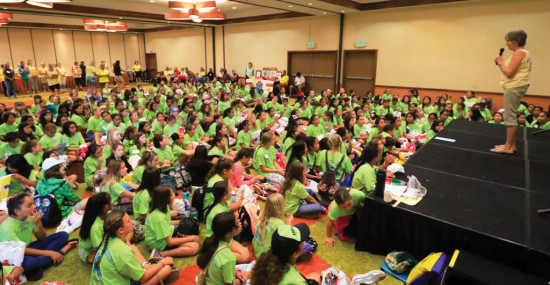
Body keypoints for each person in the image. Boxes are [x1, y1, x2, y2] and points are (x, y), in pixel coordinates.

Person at [0, 193, 76, 281]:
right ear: (17, 211)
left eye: (33, 203)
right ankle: (63, 250)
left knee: (63, 235)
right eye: (29, 205)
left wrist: (38, 223)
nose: (34, 206)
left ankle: (42, 262)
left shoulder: (29, 218)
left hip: (28, 248)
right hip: (15, 257)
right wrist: (49, 253)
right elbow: (20, 251)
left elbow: (41, 239)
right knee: (30, 264)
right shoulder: (7, 228)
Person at [90, 210, 179, 285]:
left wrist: (146, 265)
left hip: (111, 279)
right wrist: (162, 263)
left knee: (134, 250)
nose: (132, 222)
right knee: (166, 269)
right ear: (121, 230)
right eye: (129, 221)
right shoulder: (122, 251)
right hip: (121, 280)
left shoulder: (109, 240)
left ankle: (149, 266)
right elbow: (143, 278)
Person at [492, 30, 531, 154]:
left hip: (514, 87)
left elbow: (509, 73)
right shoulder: (523, 52)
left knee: (510, 116)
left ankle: (508, 146)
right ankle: (511, 145)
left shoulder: (518, 53)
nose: (506, 43)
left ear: (514, 41)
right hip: (517, 86)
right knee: (511, 115)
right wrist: (501, 63)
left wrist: (500, 62)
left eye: (508, 40)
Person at [251, 223, 320, 284]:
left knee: (314, 276)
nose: (304, 242)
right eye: (302, 241)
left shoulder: (263, 261)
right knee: (317, 277)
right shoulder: (297, 281)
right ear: (295, 254)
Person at [145, 184, 200, 257]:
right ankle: (160, 254)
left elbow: (167, 223)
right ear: (166, 199)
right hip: (160, 243)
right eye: (171, 194)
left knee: (195, 226)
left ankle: (181, 238)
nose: (174, 194)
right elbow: (169, 242)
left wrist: (183, 222)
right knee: (195, 247)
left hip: (168, 231)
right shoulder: (158, 217)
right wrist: (191, 238)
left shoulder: (164, 207)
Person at [197, 212, 250, 284]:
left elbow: (221, 267)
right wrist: (242, 280)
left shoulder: (212, 243)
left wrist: (236, 272)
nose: (240, 224)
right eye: (237, 223)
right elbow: (228, 284)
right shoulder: (229, 257)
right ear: (228, 234)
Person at [252, 193, 293, 258]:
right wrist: (289, 221)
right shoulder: (278, 223)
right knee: (301, 245)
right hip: (269, 257)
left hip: (257, 251)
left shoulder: (261, 218)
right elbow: (289, 238)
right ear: (281, 207)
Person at [79, 192, 112, 264]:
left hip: (100, 242)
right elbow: (99, 248)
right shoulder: (95, 227)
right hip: (88, 251)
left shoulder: (107, 214)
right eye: (111, 200)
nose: (112, 202)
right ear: (106, 207)